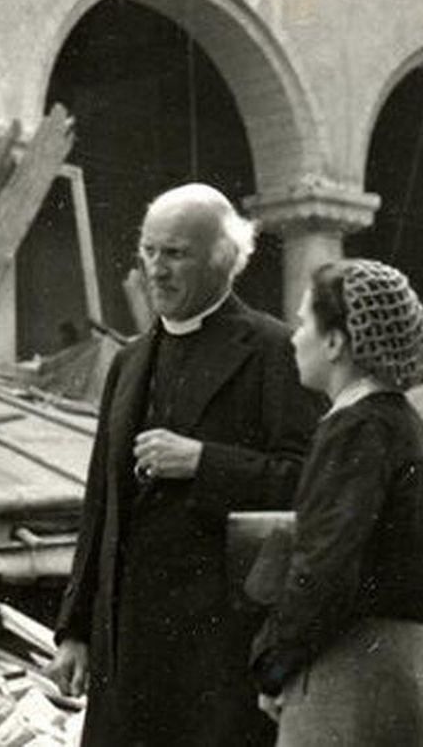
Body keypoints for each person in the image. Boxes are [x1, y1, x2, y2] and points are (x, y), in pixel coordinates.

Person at [47, 183, 324, 746]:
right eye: (149, 252)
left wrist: (206, 462)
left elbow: (308, 484)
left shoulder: (274, 350)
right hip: (128, 647)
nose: (156, 269)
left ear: (225, 261)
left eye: (176, 254)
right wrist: (74, 630)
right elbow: (101, 502)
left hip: (218, 650)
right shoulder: (128, 361)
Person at [250, 258, 423, 747]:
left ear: (337, 342)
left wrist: (273, 662)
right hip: (414, 670)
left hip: (351, 677)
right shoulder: (416, 432)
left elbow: (324, 567)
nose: (294, 337)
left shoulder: (353, 431)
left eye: (303, 323)